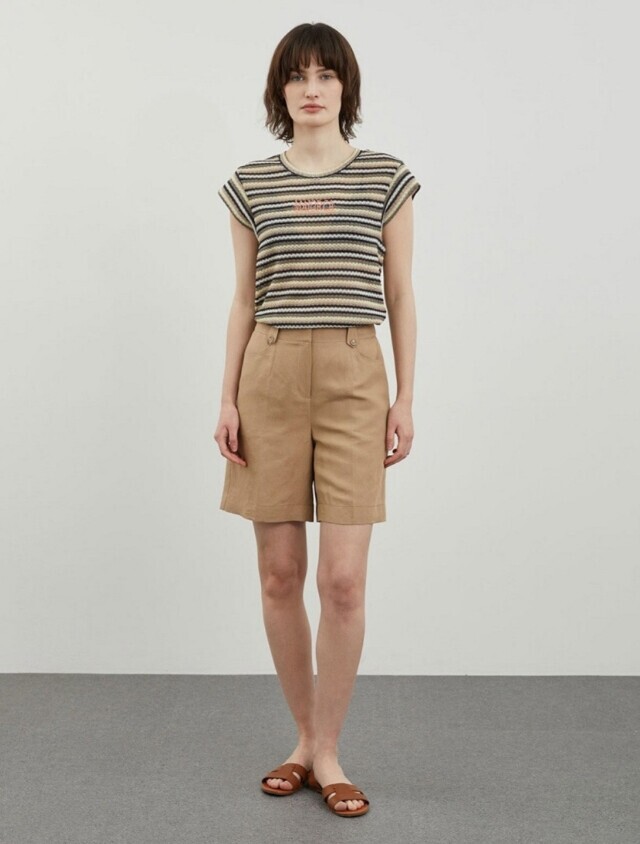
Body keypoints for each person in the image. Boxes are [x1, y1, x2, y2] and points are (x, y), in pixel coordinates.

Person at [213, 22, 420, 818]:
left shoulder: (385, 178)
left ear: (345, 88)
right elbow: (243, 299)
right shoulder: (250, 185)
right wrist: (226, 398)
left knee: (342, 580)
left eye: (326, 75)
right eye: (297, 76)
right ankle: (304, 742)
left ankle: (328, 749)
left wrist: (406, 396)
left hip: (354, 374)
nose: (311, 89)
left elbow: (400, 293)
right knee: (278, 574)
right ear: (279, 91)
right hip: (267, 373)